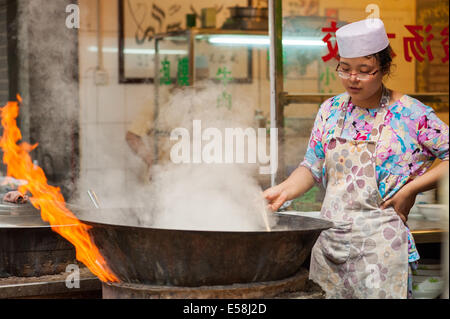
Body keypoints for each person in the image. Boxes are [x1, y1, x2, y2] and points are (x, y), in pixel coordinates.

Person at [263, 18, 449, 299]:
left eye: (365, 71)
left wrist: (412, 189)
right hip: (330, 247)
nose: (352, 78)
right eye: (345, 68)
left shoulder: (411, 114)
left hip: (381, 253)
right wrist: (282, 190)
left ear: (384, 68)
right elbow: (311, 167)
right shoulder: (331, 110)